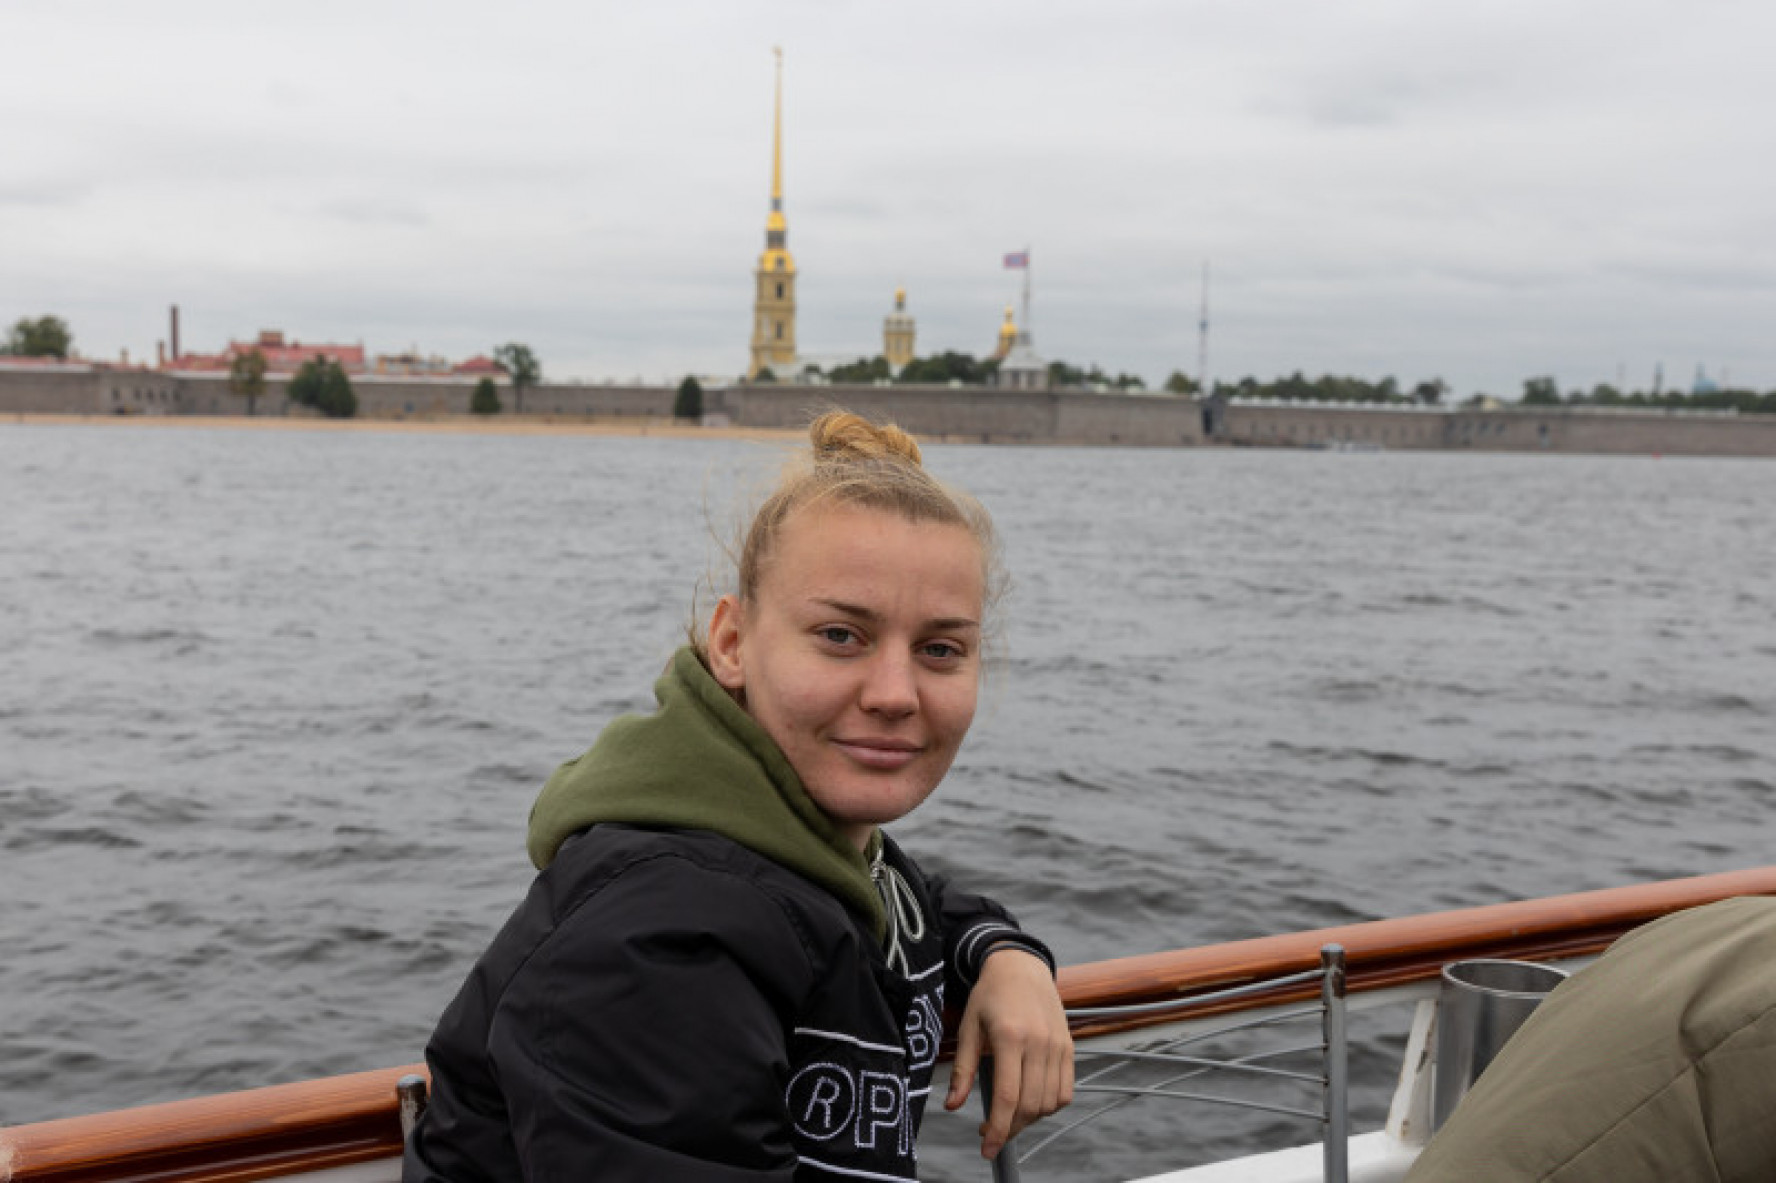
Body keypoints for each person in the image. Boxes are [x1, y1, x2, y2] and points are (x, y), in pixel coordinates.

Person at [404, 411, 1073, 1181]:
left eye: (940, 649)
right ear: (731, 643)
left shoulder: (805, 845)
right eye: (840, 635)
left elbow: (914, 900)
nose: (895, 693)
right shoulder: (659, 937)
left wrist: (1005, 956)